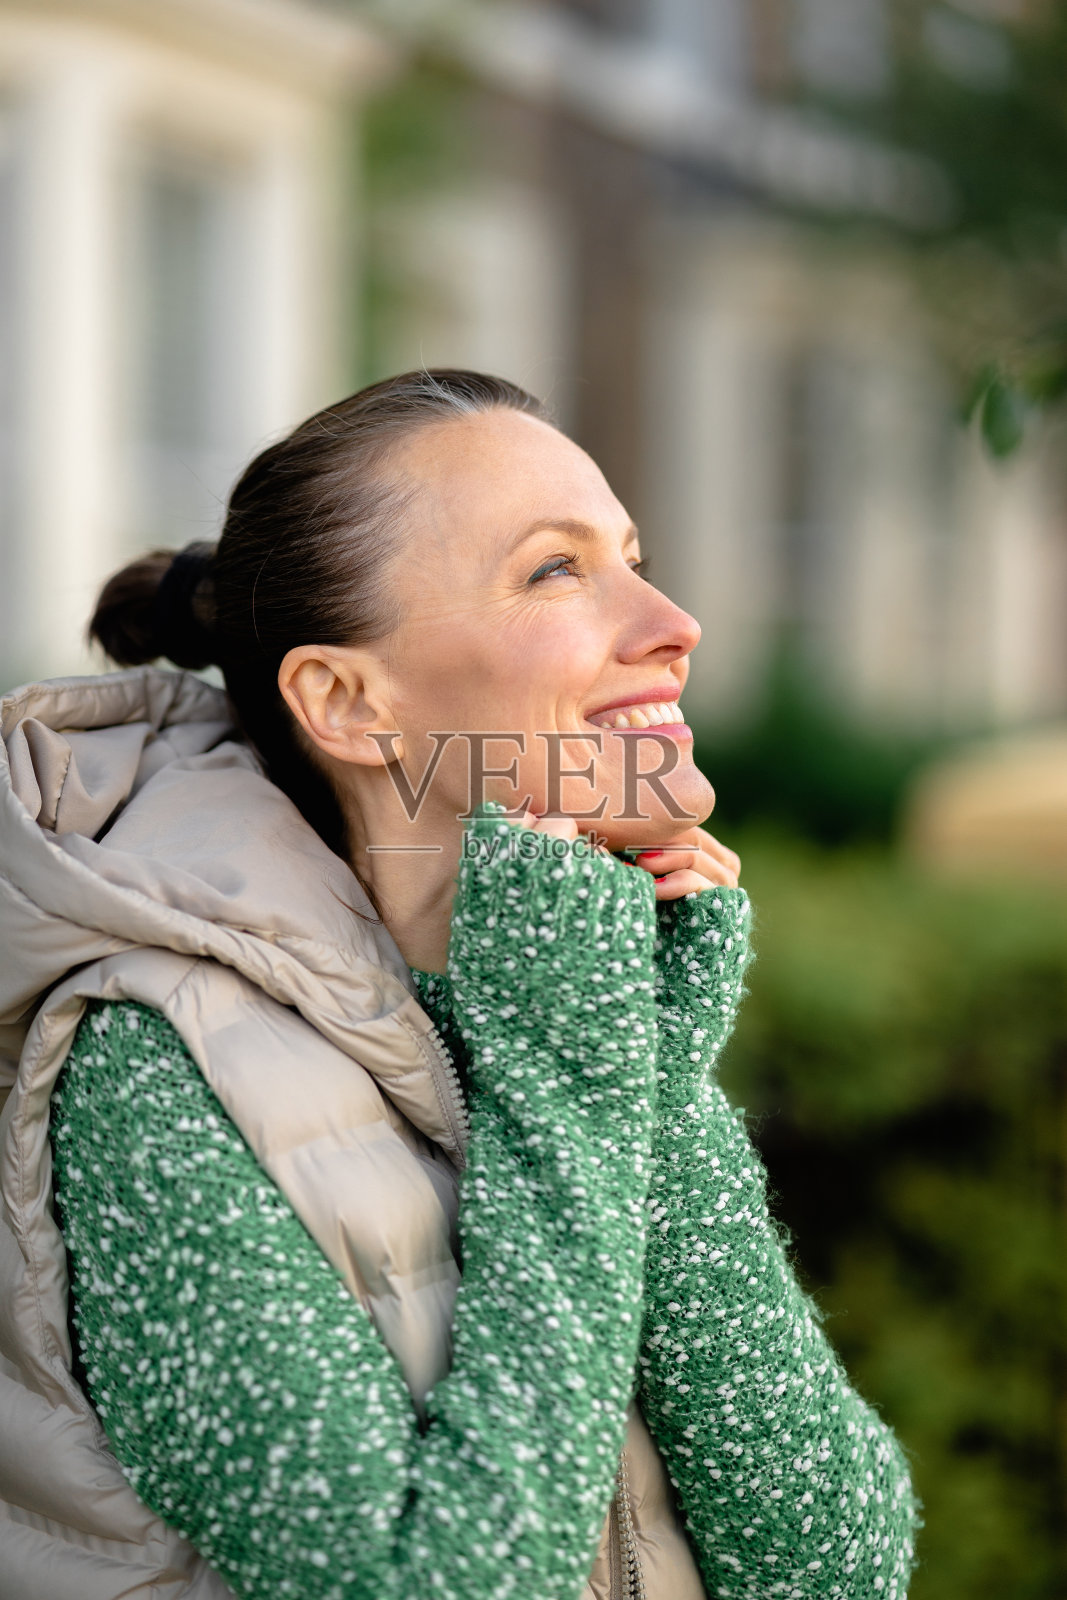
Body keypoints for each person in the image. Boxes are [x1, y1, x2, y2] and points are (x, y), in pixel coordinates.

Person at [0, 369, 920, 1600]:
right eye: (555, 570)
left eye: (632, 557)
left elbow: (830, 1565)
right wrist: (574, 1081)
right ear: (347, 700)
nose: (670, 622)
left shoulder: (562, 993)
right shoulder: (157, 1071)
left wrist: (637, 1077)